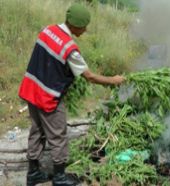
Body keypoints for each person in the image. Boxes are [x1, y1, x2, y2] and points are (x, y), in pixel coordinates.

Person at [18, 3, 124, 186]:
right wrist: (113, 81)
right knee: (58, 134)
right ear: (75, 25)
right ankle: (59, 177)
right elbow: (89, 77)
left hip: (31, 88)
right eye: (84, 26)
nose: (85, 30)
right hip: (47, 96)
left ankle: (33, 173)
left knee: (37, 130)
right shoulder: (70, 49)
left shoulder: (47, 30)